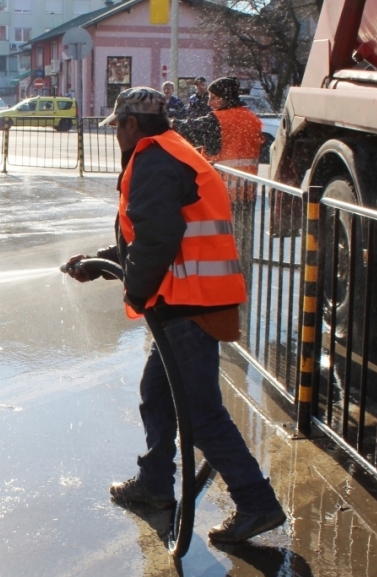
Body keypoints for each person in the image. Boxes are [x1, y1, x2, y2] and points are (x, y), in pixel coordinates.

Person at [63, 86, 285, 544]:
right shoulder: (172, 150)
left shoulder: (155, 161)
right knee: (158, 395)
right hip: (188, 300)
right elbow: (150, 237)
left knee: (201, 413)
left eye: (116, 128)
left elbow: (159, 240)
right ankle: (155, 483)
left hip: (188, 304)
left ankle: (256, 502)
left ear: (129, 124)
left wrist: (136, 290)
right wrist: (101, 264)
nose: (115, 136)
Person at [201, 76, 263, 174]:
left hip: (221, 184)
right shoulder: (252, 119)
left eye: (213, 98)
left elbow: (188, 130)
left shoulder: (218, 119)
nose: (209, 103)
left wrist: (170, 123)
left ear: (225, 98)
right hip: (247, 183)